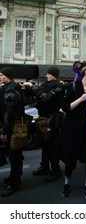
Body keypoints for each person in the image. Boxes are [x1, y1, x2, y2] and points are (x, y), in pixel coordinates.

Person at [59, 61, 86, 199]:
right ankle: (67, 183)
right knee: (70, 156)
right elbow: (65, 108)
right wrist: (80, 99)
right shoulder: (72, 86)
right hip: (73, 127)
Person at [21, 65, 65, 183]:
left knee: (51, 146)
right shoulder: (45, 85)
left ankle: (56, 171)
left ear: (54, 75)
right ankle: (44, 167)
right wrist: (27, 89)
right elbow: (37, 98)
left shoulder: (58, 87)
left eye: (48, 74)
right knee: (45, 145)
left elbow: (46, 98)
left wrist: (33, 87)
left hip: (52, 119)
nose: (46, 75)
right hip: (43, 119)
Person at [0, 67, 25, 197]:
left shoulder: (11, 89)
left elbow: (9, 112)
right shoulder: (8, 87)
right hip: (12, 125)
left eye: (2, 75)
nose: (0, 77)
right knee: (13, 154)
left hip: (13, 127)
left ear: (8, 77)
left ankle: (14, 182)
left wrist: (4, 130)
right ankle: (13, 177)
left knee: (15, 154)